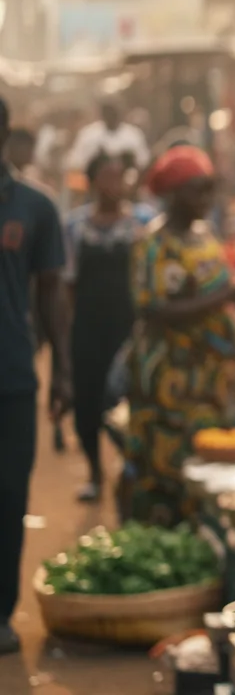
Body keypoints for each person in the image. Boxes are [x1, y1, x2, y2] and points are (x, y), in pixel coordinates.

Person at [124, 146, 235, 526]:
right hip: (168, 380)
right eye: (199, 189)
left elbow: (214, 291)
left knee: (204, 467)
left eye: (211, 188)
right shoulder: (153, 245)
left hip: (207, 382)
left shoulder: (204, 235)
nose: (207, 199)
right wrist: (226, 296)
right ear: (174, 193)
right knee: (165, 470)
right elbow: (153, 309)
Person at [0, 96, 71, 655]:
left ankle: (1, 612)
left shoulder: (35, 207)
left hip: (13, 377)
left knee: (7, 497)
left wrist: (64, 372)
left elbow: (51, 293)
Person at [65, 152, 156, 502]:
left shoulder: (142, 222)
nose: (115, 184)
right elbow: (67, 286)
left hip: (129, 328)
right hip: (88, 329)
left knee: (127, 401)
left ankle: (129, 470)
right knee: (87, 402)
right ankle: (94, 474)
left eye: (120, 176)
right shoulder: (74, 227)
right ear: (92, 182)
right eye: (107, 176)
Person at [64, 101, 152, 176]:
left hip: (127, 186)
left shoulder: (133, 135)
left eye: (113, 112)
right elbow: (76, 163)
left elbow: (143, 162)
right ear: (102, 114)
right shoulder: (88, 135)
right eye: (108, 112)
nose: (111, 115)